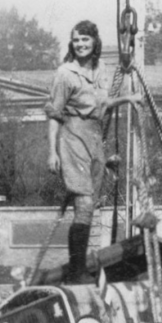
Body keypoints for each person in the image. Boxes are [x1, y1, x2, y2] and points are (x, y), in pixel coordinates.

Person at [46, 20, 140, 283]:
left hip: (94, 139)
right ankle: (77, 273)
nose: (81, 45)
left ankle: (78, 271)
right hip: (72, 137)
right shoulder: (65, 74)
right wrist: (52, 152)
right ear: (71, 43)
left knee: (90, 207)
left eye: (85, 40)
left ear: (94, 42)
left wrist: (128, 99)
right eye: (76, 40)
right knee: (84, 204)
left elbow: (104, 103)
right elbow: (54, 114)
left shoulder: (102, 70)